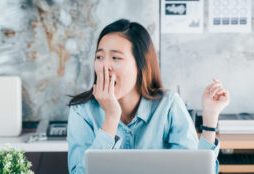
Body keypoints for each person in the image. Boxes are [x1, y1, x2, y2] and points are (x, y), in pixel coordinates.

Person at [67, 19, 230, 174]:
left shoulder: (169, 105)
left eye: (115, 57)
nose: (104, 67)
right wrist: (111, 118)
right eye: (99, 57)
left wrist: (209, 120)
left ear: (140, 65)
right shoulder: (82, 111)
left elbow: (195, 170)